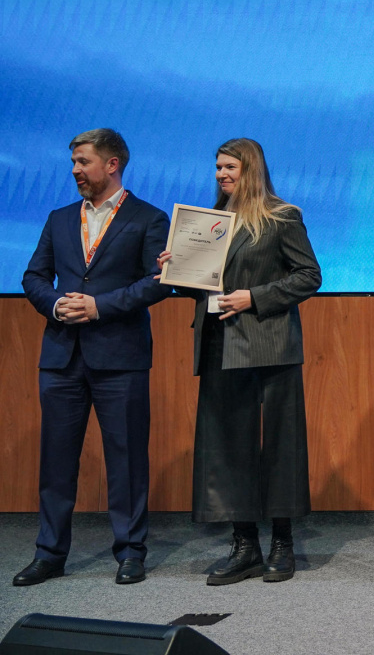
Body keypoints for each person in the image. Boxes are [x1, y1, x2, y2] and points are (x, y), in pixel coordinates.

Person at [160, 137, 321, 585]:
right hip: (219, 344)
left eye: (229, 167)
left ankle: (282, 543)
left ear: (251, 169)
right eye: (217, 167)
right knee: (227, 448)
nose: (221, 174)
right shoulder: (211, 221)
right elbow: (202, 286)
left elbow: (309, 276)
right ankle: (244, 544)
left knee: (280, 446)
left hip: (269, 346)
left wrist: (255, 297)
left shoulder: (282, 217)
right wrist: (176, 271)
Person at [15, 129, 170, 587]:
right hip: (61, 357)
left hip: (120, 358)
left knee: (126, 460)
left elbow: (159, 282)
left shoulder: (149, 218)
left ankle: (131, 551)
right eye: (74, 163)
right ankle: (49, 554)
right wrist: (56, 304)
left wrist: (99, 306)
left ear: (112, 164)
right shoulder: (60, 218)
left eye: (83, 162)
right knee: (56, 461)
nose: (75, 171)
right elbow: (33, 276)